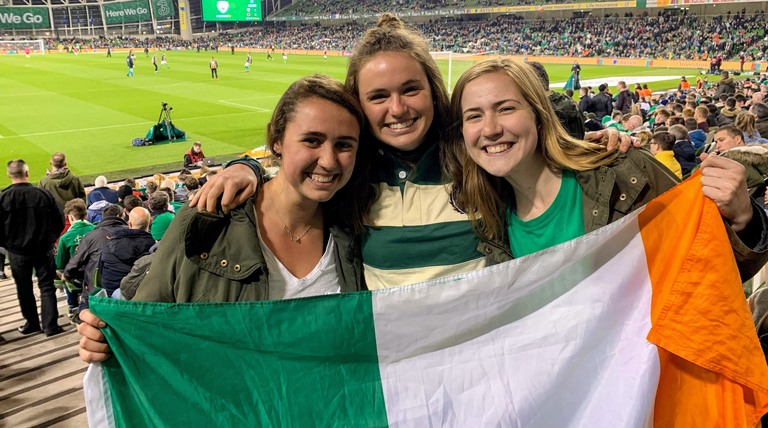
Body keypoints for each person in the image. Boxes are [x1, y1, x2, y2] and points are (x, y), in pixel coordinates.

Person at [187, 14, 634, 289]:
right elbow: (302, 177)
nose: (397, 109)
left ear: (433, 90)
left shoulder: (475, 156)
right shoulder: (351, 174)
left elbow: (534, 123)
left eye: (410, 90)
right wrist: (247, 167)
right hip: (400, 370)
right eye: (378, 96)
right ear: (358, 105)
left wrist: (586, 138)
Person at [78, 74, 370, 361]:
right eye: (312, 140)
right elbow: (144, 320)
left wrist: (246, 167)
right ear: (276, 140)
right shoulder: (206, 217)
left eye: (344, 145)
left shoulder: (355, 229)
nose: (329, 161)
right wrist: (105, 339)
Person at [445, 58, 766, 279]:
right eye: (474, 115)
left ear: (539, 113)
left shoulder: (625, 171)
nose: (489, 129)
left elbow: (715, 270)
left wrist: (743, 220)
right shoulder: (487, 212)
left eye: (506, 108)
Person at [0, 160, 64, 336]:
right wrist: (49, 240)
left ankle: (32, 323)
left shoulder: (3, 198)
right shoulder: (42, 195)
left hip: (17, 253)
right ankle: (50, 326)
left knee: (24, 288)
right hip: (42, 250)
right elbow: (58, 221)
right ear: (27, 173)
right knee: (47, 286)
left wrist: (8, 245)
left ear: (9, 175)